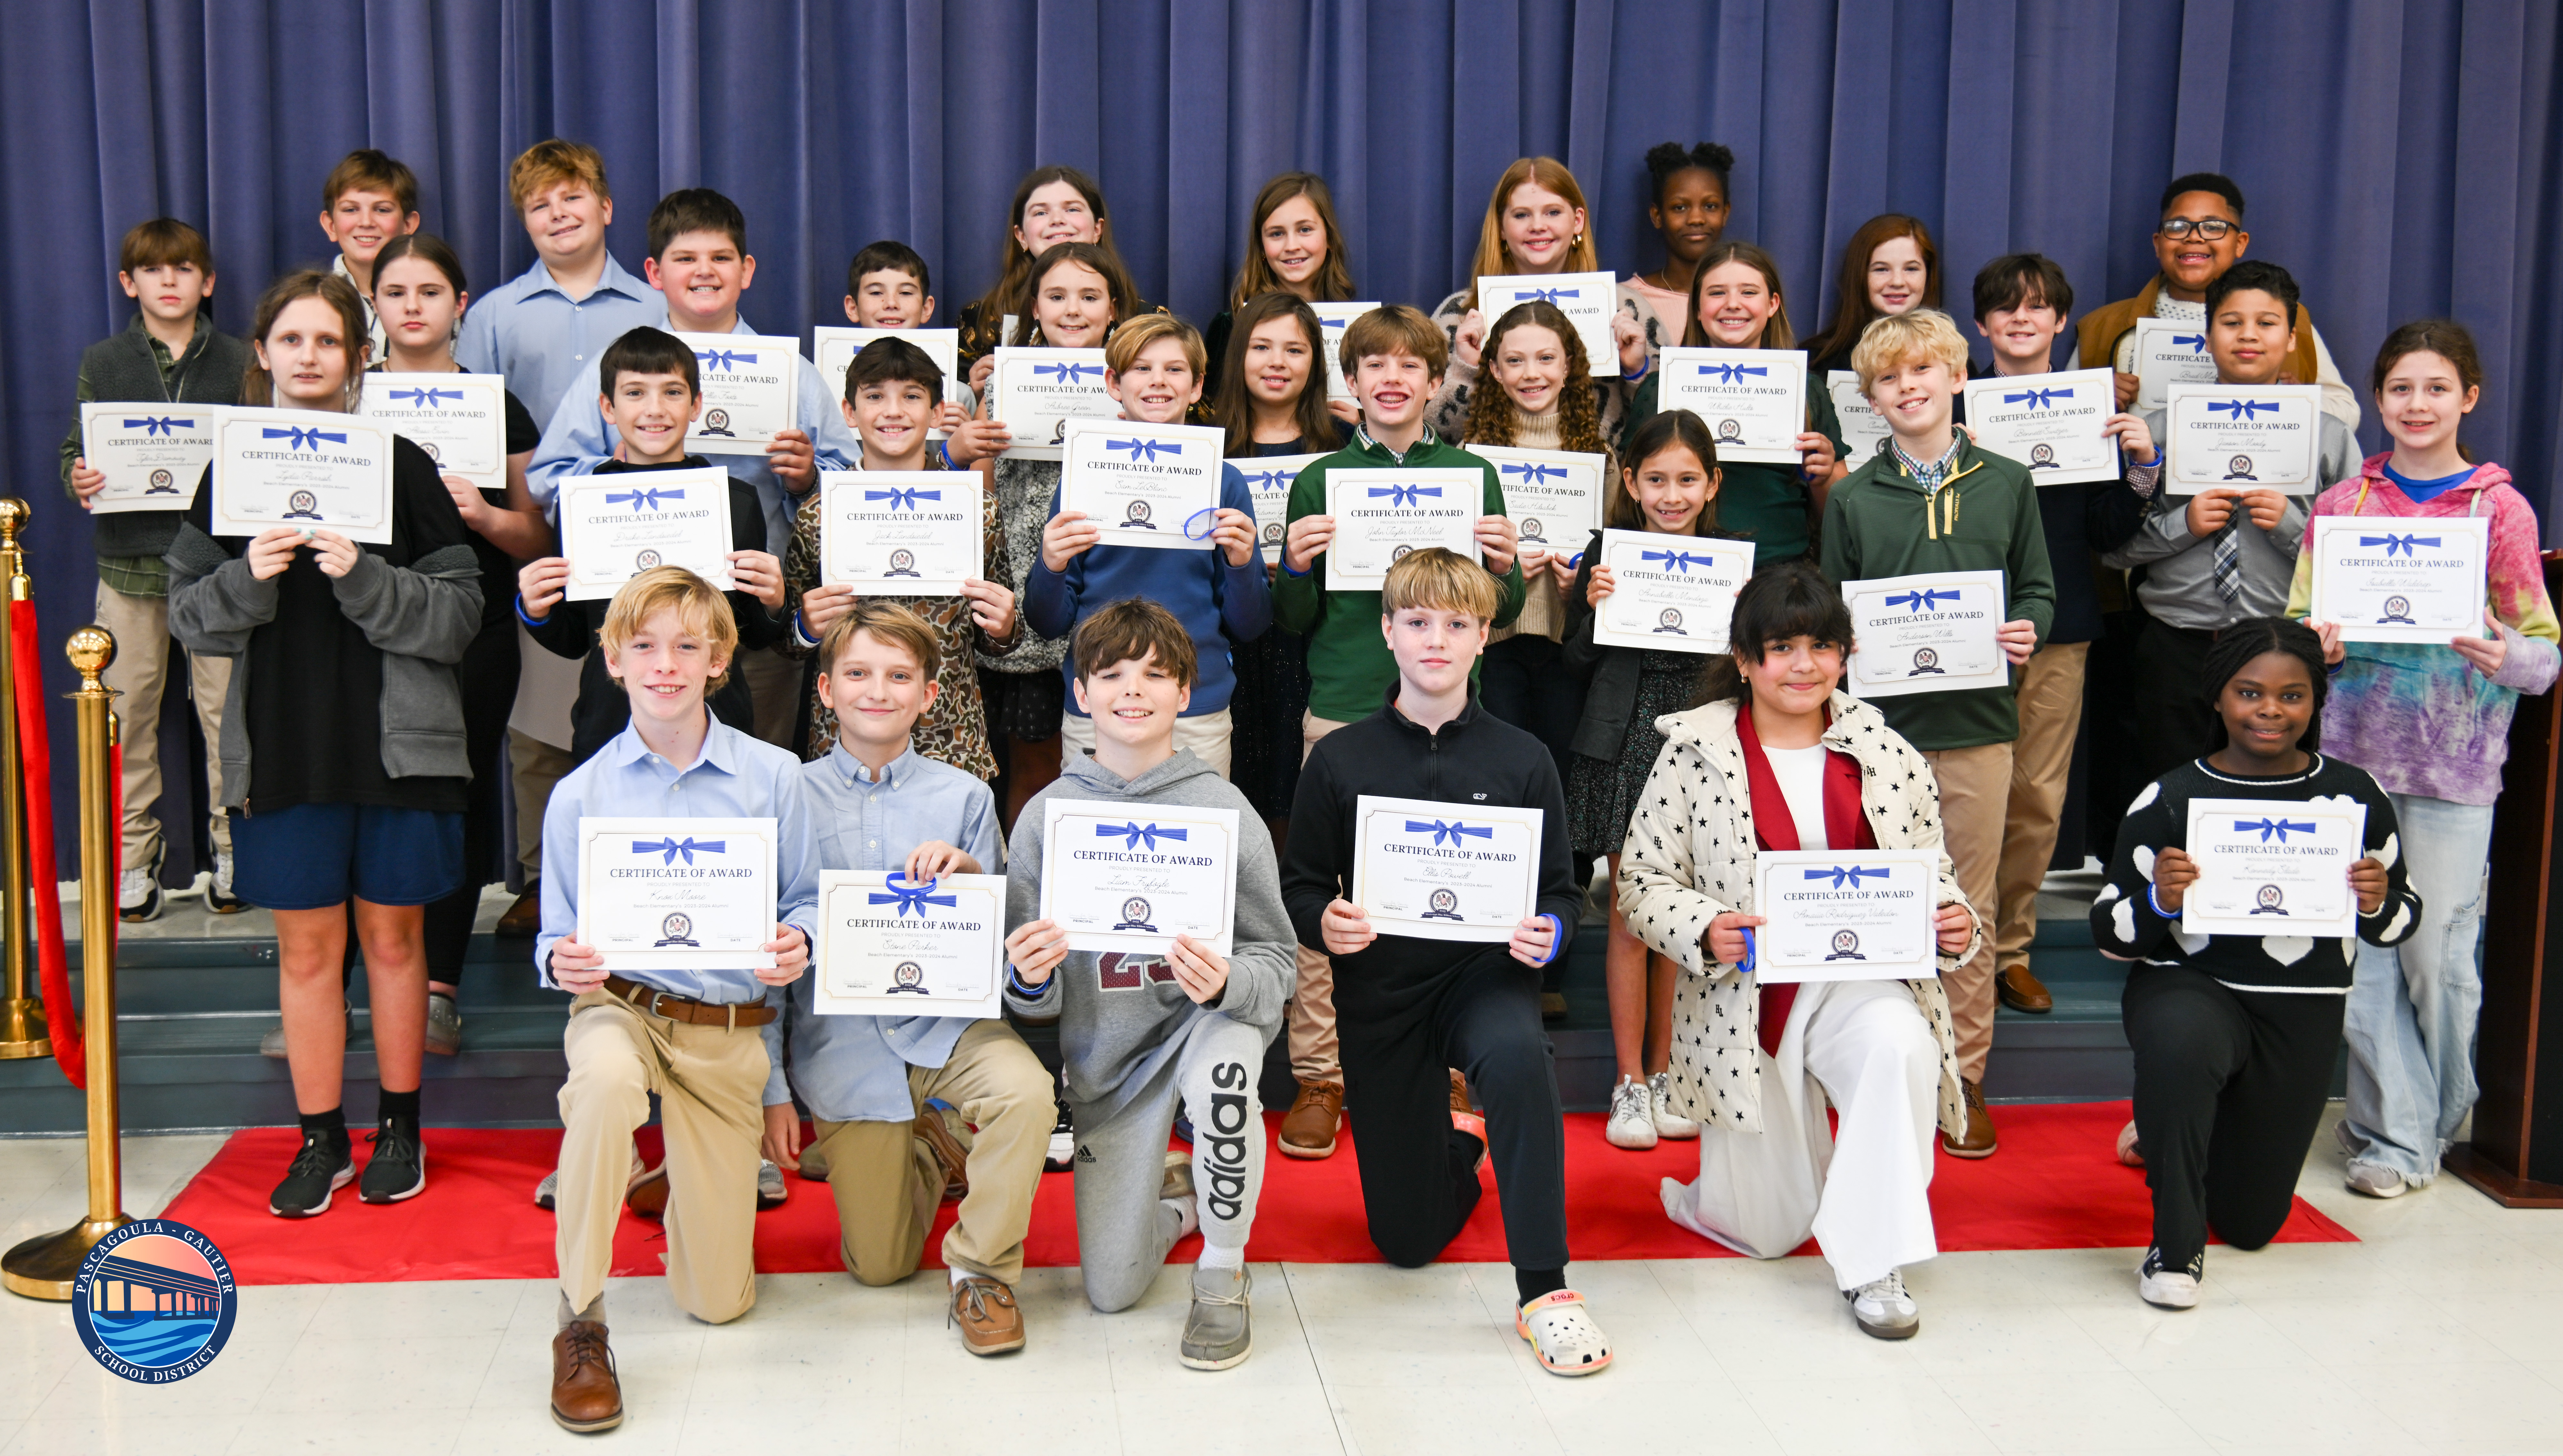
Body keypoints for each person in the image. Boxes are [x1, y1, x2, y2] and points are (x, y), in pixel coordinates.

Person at [165, 271, 480, 1216]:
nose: (309, 357)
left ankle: (397, 1127)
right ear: (263, 354)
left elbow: (461, 616)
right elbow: (191, 615)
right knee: (305, 953)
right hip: (286, 748)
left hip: (399, 751)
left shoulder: (404, 468)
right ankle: (318, 1139)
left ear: (359, 358)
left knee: (394, 942)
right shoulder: (229, 475)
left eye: (329, 342)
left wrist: (366, 576)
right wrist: (247, 580)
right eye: (291, 341)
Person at [1619, 560, 1979, 1338]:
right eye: (1781, 646)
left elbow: (1935, 872)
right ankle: (1736, 1197)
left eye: (1821, 645)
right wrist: (1704, 927)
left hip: (1857, 982)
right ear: (1745, 659)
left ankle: (1872, 1259)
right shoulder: (1691, 753)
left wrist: (1951, 919)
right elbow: (1642, 883)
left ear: (1845, 655)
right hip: (1745, 995)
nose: (1803, 664)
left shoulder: (1886, 753)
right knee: (1770, 1228)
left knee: (1899, 1045)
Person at [1282, 547, 1609, 1376]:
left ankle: (1546, 1292)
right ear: (1388, 631)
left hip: (1484, 978)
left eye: (1456, 624)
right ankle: (1460, 1150)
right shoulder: (1340, 758)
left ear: (1483, 635)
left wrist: (1551, 932)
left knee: (1517, 1059)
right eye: (1418, 621)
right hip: (1380, 989)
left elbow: (1561, 894)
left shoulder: (1524, 758)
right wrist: (1325, 919)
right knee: (1406, 1241)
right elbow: (1301, 885)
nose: (1436, 639)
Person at [534, 566, 819, 1433]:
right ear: (614, 660)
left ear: (719, 661)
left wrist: (798, 946)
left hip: (726, 1030)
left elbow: (803, 904)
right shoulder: (579, 794)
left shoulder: (775, 778)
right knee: (608, 1085)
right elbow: (554, 938)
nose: (665, 665)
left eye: (687, 647)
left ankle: (663, 1179)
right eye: (645, 647)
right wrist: (567, 964)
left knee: (718, 1304)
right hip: (620, 1011)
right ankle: (580, 1320)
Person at [2291, 319, 2561, 1198]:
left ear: (2468, 399)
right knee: (2359, 953)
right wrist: (2314, 648)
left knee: (2436, 960)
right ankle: (2391, 1136)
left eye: (2436, 388)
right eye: (2401, 389)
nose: (2417, 405)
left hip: (2454, 773)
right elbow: (2296, 628)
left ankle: (2434, 1121)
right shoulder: (2343, 508)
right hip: (2350, 766)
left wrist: (2502, 655)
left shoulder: (2500, 511)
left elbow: (2543, 656)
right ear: (2378, 400)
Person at [1001, 599, 1295, 1369]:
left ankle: (1224, 1272)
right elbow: (1027, 991)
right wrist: (1027, 979)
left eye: (1155, 673)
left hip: (1204, 1027)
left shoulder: (1224, 808)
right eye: (1113, 673)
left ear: (1185, 692)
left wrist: (1230, 978)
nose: (1134, 689)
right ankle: (1180, 1202)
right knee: (1111, 1288)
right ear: (1081, 692)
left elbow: (1278, 962)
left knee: (1228, 1079)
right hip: (1109, 1064)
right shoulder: (1047, 818)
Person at [2093, 618, 2417, 1307]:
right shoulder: (2172, 797)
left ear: (2316, 702)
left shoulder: (2358, 798)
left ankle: (2169, 1127)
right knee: (2181, 1044)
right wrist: (2159, 898)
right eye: (2250, 692)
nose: (2270, 710)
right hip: (2191, 985)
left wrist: (2375, 900)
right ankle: (2173, 1251)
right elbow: (2111, 934)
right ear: (2218, 698)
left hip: (2301, 1005)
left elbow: (2400, 920)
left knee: (2249, 1223)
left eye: (2292, 695)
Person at [1269, 304, 1527, 1159]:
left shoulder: (1473, 477)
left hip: (1455, 721)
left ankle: (1449, 1058)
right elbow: (1293, 617)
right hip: (1344, 708)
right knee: (1332, 898)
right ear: (1350, 384)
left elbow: (1507, 611)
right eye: (1372, 366)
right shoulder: (1319, 482)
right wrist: (1295, 564)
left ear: (1434, 379)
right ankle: (1320, 1074)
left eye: (1409, 366)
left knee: (1447, 889)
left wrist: (1504, 565)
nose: (1390, 379)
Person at [760, 601, 1051, 1354]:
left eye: (899, 675)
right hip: (845, 1045)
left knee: (1025, 1091)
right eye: (857, 673)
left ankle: (981, 1268)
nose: (877, 690)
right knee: (881, 1266)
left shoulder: (962, 796)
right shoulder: (786, 793)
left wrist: (969, 875)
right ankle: (933, 1145)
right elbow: (773, 957)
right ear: (825, 689)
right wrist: (775, 1086)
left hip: (947, 1024)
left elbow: (997, 944)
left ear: (930, 693)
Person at [1818, 308, 2054, 1158]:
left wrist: (2024, 627)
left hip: (1977, 728)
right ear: (1872, 399)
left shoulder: (2007, 482)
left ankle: (1965, 1074)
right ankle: (1878, 1069)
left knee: (1967, 905)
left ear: (1959, 376)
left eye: (1924, 371)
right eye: (1888, 379)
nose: (1908, 387)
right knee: (1877, 901)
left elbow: (2037, 590)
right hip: (1877, 736)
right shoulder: (1850, 497)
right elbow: (1831, 620)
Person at [527, 187, 857, 746]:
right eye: (685, 259)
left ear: (746, 270)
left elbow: (849, 491)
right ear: (655, 272)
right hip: (627, 624)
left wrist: (807, 477)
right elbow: (550, 476)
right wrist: (620, 486)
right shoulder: (617, 370)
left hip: (753, 624)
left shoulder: (793, 373)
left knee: (751, 774)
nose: (704, 272)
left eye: (720, 258)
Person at [456, 139, 667, 938]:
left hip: (650, 537)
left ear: (606, 208)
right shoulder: (493, 317)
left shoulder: (653, 310)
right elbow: (476, 428)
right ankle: (547, 879)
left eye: (572, 199)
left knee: (641, 699)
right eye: (540, 205)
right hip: (537, 537)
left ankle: (639, 876)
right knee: (541, 721)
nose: (558, 214)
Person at [365, 232, 553, 1055]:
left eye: (429, 291)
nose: (412, 306)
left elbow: (535, 534)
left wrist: (479, 515)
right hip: (363, 630)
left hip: (473, 629)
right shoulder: (346, 400)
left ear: (460, 303)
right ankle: (336, 987)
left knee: (458, 797)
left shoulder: (496, 404)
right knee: (359, 800)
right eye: (395, 291)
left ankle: (440, 983)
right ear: (373, 304)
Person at [1965, 254, 2152, 1015]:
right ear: (1982, 325)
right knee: (1957, 798)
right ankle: (1950, 947)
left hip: (2058, 630)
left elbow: (2108, 534)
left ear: (2059, 321)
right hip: (1957, 629)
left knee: (2035, 799)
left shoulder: (2088, 409)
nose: (2020, 318)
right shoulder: (1952, 401)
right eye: (2004, 308)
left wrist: (2140, 466)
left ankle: (2008, 950)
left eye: (2036, 307)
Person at [60, 217, 251, 920]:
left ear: (207, 282)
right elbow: (73, 451)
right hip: (130, 569)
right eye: (153, 270)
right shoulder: (104, 360)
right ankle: (132, 860)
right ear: (128, 283)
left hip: (218, 573)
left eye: (183, 269)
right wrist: (77, 477)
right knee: (126, 718)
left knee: (227, 718)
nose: (169, 281)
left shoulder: (240, 359)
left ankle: (235, 850)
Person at [2104, 260, 2361, 784]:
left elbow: (2355, 564)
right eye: (2230, 322)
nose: (2247, 335)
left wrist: (2292, 526)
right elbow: (2112, 549)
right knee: (2171, 802)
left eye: (2266, 323)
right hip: (2175, 645)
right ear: (2204, 338)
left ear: (2291, 339)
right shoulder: (2153, 432)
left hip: (2285, 647)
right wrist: (2185, 525)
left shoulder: (2329, 437)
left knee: (2275, 800)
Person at [1561, 410, 1726, 1148]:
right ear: (1629, 482)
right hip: (1625, 742)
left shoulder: (1730, 560)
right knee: (1631, 918)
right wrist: (1591, 607)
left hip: (1701, 747)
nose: (1670, 494)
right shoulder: (1608, 554)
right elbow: (1571, 663)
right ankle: (1628, 1081)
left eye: (1686, 479)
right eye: (1655, 479)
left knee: (1682, 918)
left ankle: (1669, 1074)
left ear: (1711, 484)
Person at [516, 327, 790, 763]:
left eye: (673, 392)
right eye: (635, 393)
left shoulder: (735, 501)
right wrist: (537, 610)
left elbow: (751, 634)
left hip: (716, 719)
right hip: (610, 719)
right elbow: (576, 639)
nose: (655, 409)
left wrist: (774, 602)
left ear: (697, 405)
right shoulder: (582, 503)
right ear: (608, 407)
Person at [1027, 314, 1271, 777]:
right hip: (1097, 702)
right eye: (1141, 368)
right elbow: (1047, 621)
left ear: (1197, 386)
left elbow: (1250, 624)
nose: (1158, 381)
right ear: (1114, 383)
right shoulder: (1082, 477)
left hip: (1195, 705)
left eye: (1175, 370)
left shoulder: (1227, 482)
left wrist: (1242, 564)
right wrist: (1051, 564)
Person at [779, 336, 1021, 775]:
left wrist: (1004, 627)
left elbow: (998, 639)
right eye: (875, 397)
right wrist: (805, 627)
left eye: (911, 397)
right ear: (849, 412)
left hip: (951, 738)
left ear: (934, 413)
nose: (893, 411)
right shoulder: (819, 512)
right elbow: (789, 643)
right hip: (845, 741)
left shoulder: (976, 508)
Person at [965, 241, 1136, 824]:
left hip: (1104, 592)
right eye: (1056, 296)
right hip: (1023, 592)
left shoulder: (1137, 384)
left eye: (1089, 296)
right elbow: (980, 498)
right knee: (1035, 770)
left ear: (1113, 307)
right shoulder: (1003, 382)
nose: (1072, 309)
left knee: (1101, 770)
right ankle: (1026, 897)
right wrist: (975, 436)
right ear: (1032, 307)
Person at [1212, 292, 1344, 847]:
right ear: (1237, 354)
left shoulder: (1339, 448)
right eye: (1261, 347)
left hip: (1304, 633)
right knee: (1238, 772)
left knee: (1295, 778)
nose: (1276, 362)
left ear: (1315, 361)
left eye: (1294, 349)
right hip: (1229, 631)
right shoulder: (1204, 445)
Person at [2075, 171, 2358, 429]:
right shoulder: (2103, 325)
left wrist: (2295, 402)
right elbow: (2064, 422)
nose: (2194, 238)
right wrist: (2096, 401)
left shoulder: (2286, 317)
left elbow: (2346, 413)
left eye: (2213, 227)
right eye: (2177, 226)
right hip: (2144, 478)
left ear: (2240, 243)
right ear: (2157, 243)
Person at [1618, 241, 1844, 564]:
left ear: (1772, 304)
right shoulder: (1660, 388)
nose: (1733, 304)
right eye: (1717, 293)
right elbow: (1629, 497)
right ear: (1697, 307)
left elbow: (1840, 519)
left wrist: (1822, 478)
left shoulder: (1806, 390)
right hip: (1683, 573)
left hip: (1778, 575)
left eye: (1749, 292)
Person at [1460, 299, 1606, 776]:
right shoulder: (1470, 460)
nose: (1531, 373)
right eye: (1515, 361)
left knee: (1562, 784)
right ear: (1495, 372)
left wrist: (1579, 590)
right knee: (1501, 779)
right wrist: (1497, 578)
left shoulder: (1599, 457)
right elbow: (1455, 566)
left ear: (1570, 367)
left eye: (1546, 358)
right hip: (1495, 645)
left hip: (1568, 647)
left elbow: (1614, 562)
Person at [1426, 158, 1650, 444]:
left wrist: (1637, 371)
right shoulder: (1459, 316)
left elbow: (1664, 435)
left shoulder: (1628, 311)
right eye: (1521, 215)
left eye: (1553, 212)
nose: (1537, 226)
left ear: (1577, 221)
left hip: (1600, 480)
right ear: (1501, 228)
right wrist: (1467, 372)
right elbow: (1430, 438)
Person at [954, 166, 1164, 371]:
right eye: (1040, 212)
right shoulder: (983, 318)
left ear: (1098, 229)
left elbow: (1192, 397)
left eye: (1072, 209)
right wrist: (976, 394)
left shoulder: (1149, 320)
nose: (1057, 220)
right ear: (1021, 236)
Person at [836, 239, 999, 461]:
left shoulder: (959, 396)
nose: (891, 303)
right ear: (853, 308)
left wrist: (964, 439)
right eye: (875, 293)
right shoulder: (824, 392)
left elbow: (973, 474)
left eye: (905, 293)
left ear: (926, 308)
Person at [1203, 172, 1360, 400]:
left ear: (1330, 239)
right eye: (1277, 234)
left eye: (1305, 230)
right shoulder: (1230, 326)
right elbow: (1212, 415)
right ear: (1262, 248)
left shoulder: (1359, 327)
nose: (1291, 246)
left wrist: (1359, 423)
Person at [1621, 141, 1735, 360]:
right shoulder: (1627, 302)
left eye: (1710, 206)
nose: (1696, 219)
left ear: (1725, 213)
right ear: (1656, 216)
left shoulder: (1745, 301)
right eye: (1679, 208)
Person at [1802, 214, 1940, 380]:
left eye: (1911, 269)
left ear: (1928, 276)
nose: (1897, 282)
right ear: (1859, 276)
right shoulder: (1814, 363)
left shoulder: (1953, 360)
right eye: (1881, 270)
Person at [315, 148, 420, 358]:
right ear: (331, 226)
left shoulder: (431, 301)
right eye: (350, 210)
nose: (366, 222)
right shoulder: (310, 302)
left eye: (382, 210)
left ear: (408, 224)